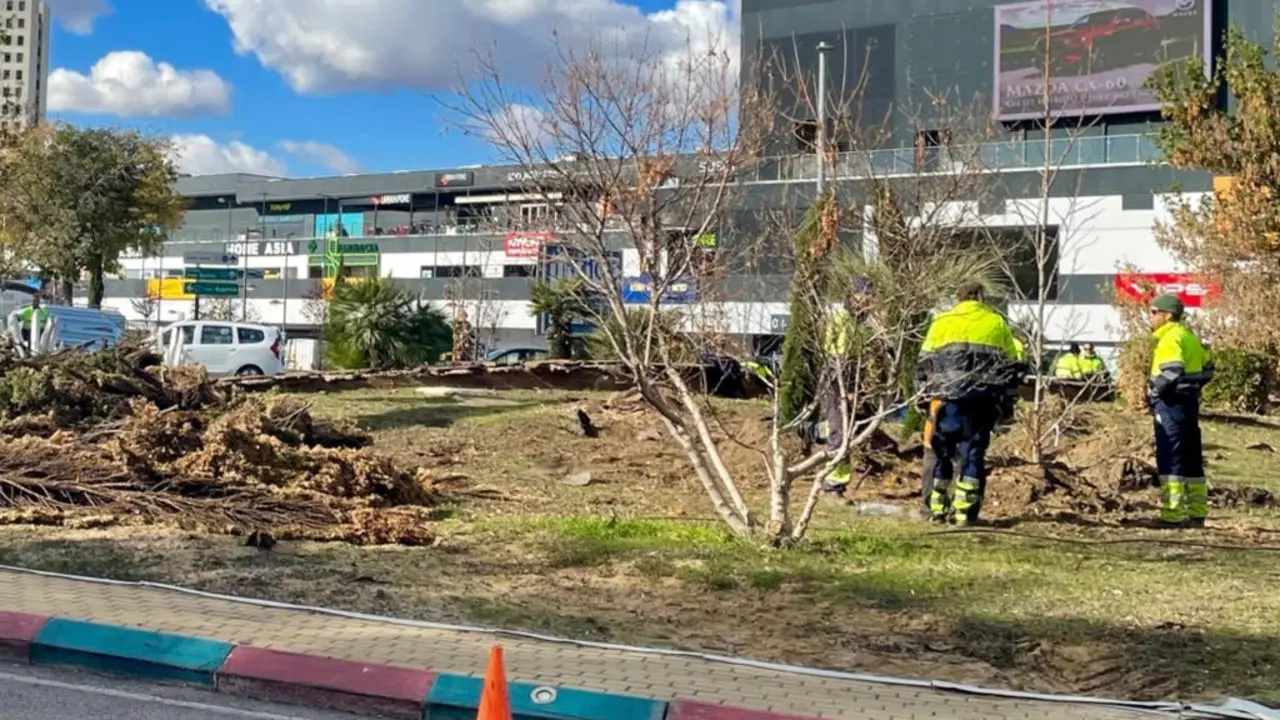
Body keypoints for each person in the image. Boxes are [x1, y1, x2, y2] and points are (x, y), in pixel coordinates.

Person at [916, 282, 1024, 525]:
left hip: (946, 403)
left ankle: (936, 511)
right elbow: (1011, 366)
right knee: (972, 457)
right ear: (981, 297)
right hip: (981, 404)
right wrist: (1005, 405)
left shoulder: (942, 321)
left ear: (958, 297)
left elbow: (923, 364)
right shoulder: (996, 323)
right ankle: (965, 514)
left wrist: (922, 399)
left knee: (941, 454)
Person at [1147, 293, 1213, 528]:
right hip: (1188, 403)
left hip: (1170, 403)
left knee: (1170, 455)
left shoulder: (1170, 339)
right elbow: (1207, 369)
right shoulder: (1189, 336)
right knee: (1192, 457)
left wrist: (1155, 393)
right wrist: (1192, 387)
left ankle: (1171, 515)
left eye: (1154, 312)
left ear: (1167, 315)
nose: (1150, 317)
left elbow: (1171, 371)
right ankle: (1197, 513)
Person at [820, 277, 875, 495]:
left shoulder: (858, 322)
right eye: (866, 296)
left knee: (843, 431)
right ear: (854, 295)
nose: (870, 301)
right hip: (837, 381)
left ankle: (837, 481)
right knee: (839, 432)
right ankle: (832, 485)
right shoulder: (842, 319)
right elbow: (836, 356)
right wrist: (847, 389)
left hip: (846, 380)